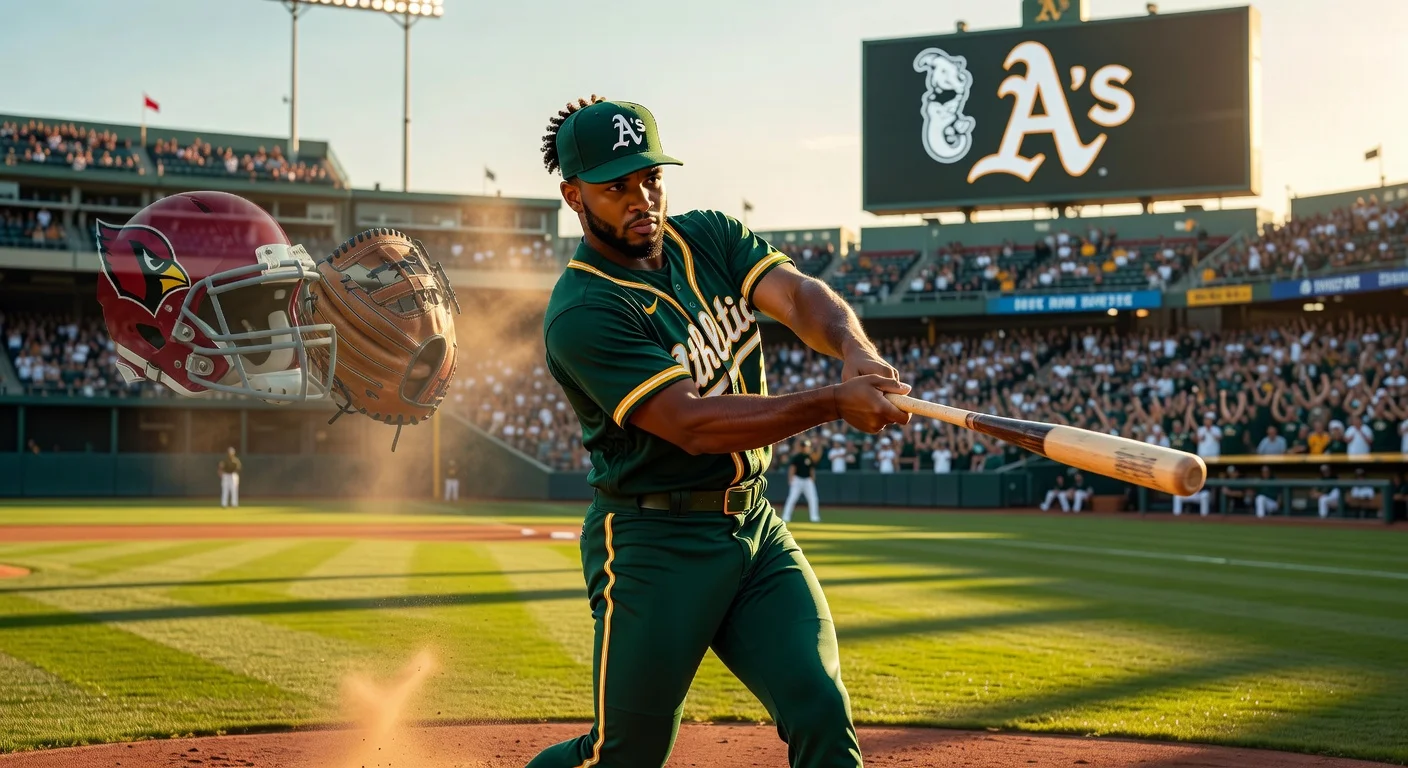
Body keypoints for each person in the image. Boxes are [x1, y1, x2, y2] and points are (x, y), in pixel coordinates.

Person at [531, 96, 908, 768]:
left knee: (820, 706)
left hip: (753, 530)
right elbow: (693, 424)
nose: (641, 197)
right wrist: (832, 400)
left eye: (649, 178)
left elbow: (795, 296)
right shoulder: (584, 310)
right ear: (573, 196)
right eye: (616, 187)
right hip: (653, 546)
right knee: (627, 755)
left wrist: (852, 347)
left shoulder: (706, 235)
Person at [781, 438, 820, 523]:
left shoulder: (810, 457)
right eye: (803, 446)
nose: (805, 448)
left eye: (806, 446)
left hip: (807, 480)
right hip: (797, 479)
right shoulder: (797, 457)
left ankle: (814, 517)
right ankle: (786, 516)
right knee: (792, 498)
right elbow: (792, 468)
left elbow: (812, 469)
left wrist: (813, 478)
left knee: (813, 499)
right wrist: (790, 479)